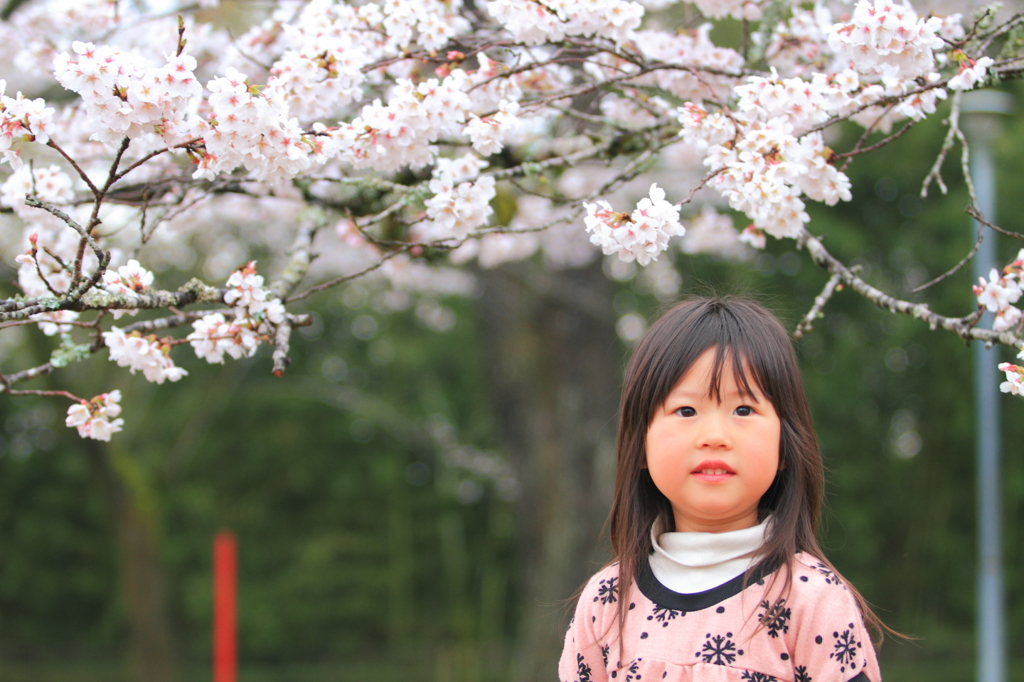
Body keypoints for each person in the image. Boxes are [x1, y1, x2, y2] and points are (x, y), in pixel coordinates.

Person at [558, 297, 887, 682]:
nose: (714, 437)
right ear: (640, 444)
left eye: (743, 410)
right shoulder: (607, 601)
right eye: (686, 411)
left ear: (786, 445)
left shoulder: (811, 599)